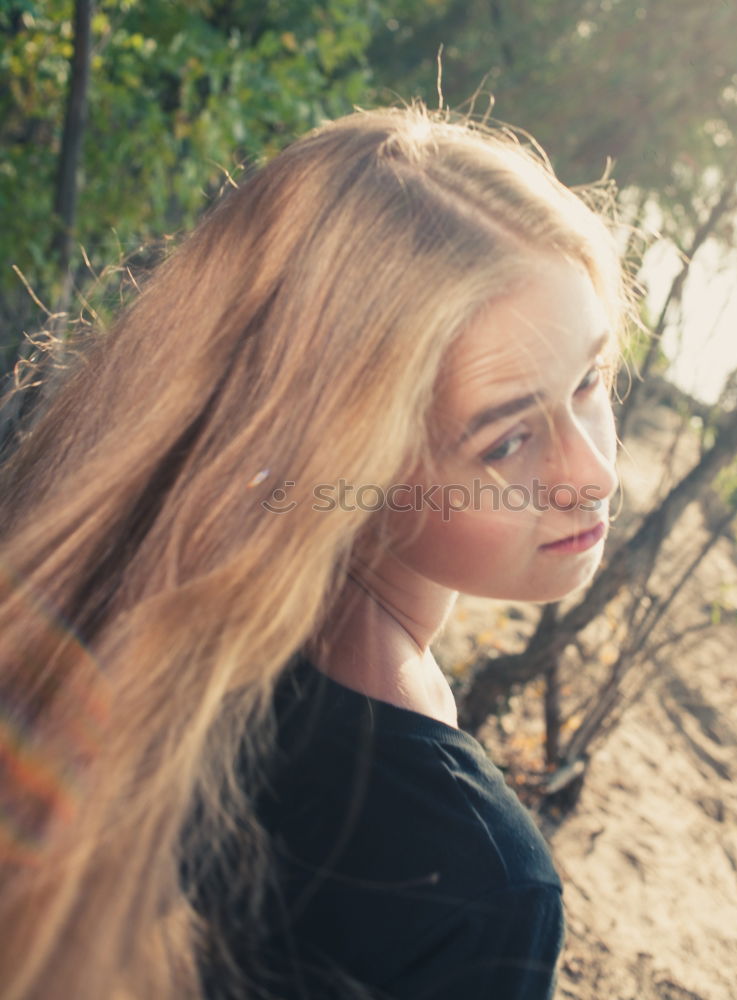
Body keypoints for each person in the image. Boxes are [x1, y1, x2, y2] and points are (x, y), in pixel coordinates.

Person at [0, 104, 626, 1000]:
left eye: (591, 380)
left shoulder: (75, 563)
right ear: (350, 454)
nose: (594, 472)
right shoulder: (475, 883)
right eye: (506, 441)